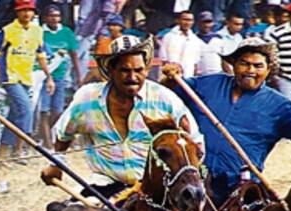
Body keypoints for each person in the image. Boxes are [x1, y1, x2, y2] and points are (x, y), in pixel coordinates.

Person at [161, 37, 291, 205]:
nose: (250, 70)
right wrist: (170, 76)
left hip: (238, 190)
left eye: (258, 66)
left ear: (268, 70)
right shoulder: (208, 84)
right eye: (244, 63)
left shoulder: (281, 106)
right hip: (193, 181)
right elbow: (168, 93)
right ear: (234, 64)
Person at [41, 35, 201, 197]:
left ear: (146, 69)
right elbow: (62, 135)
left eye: (138, 70)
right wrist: (57, 164)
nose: (132, 78)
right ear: (111, 70)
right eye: (125, 70)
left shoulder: (165, 99)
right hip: (105, 188)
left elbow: (195, 142)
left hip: (154, 192)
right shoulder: (86, 99)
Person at [0, 0, 55, 160]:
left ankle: (1, 154)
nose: (27, 13)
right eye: (23, 10)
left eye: (29, 10)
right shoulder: (8, 30)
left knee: (14, 115)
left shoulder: (37, 31)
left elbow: (41, 56)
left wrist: (49, 77)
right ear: (17, 12)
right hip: (10, 77)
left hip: (26, 77)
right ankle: (19, 149)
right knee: (25, 109)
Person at [38, 5, 80, 150]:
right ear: (45, 18)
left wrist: (78, 75)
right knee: (44, 110)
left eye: (56, 16)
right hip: (42, 76)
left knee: (57, 111)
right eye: (51, 16)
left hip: (61, 76)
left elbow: (74, 55)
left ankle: (49, 136)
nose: (54, 19)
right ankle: (47, 143)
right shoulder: (40, 32)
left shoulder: (66, 32)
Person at [159, 11, 203, 78]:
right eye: (185, 19)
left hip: (187, 76)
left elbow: (195, 63)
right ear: (179, 20)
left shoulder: (195, 40)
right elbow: (163, 59)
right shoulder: (168, 37)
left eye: (190, 20)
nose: (187, 22)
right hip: (170, 76)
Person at [196, 11, 226, 75]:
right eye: (204, 22)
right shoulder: (193, 39)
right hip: (200, 76)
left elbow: (224, 60)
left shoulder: (218, 38)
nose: (206, 25)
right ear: (199, 23)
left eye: (209, 22)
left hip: (217, 74)